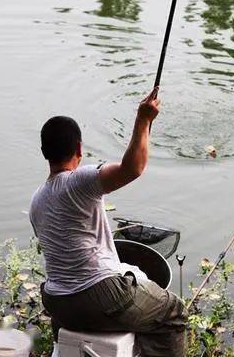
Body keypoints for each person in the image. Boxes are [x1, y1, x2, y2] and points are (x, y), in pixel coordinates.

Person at [29, 87, 188, 357]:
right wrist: (143, 120)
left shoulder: (37, 202)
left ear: (44, 151)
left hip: (57, 303)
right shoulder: (79, 181)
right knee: (174, 313)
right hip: (99, 295)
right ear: (79, 148)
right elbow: (132, 168)